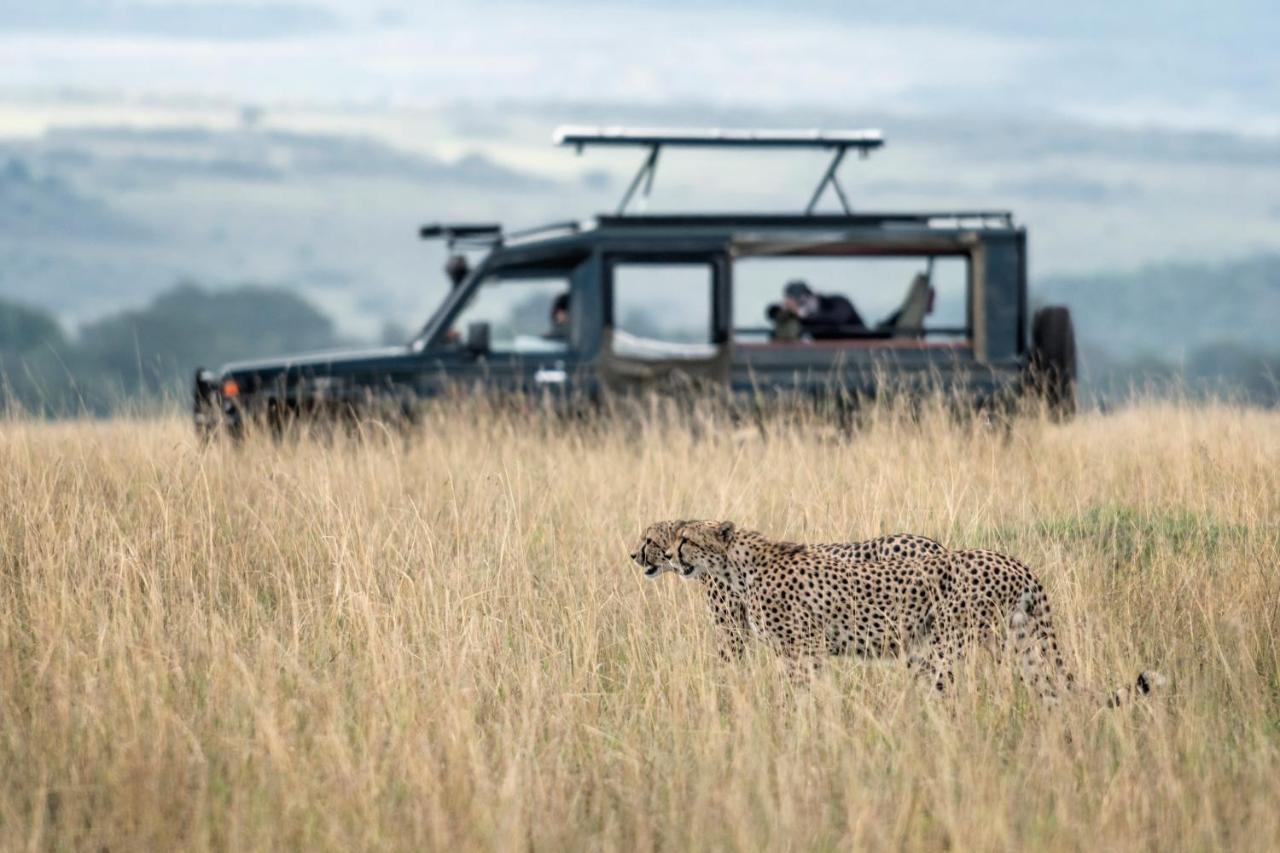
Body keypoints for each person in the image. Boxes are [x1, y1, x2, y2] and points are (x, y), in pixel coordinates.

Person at [767, 280, 864, 340]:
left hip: (863, 349)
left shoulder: (838, 302)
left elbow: (836, 319)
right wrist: (784, 316)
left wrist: (803, 314)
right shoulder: (805, 319)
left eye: (802, 301)